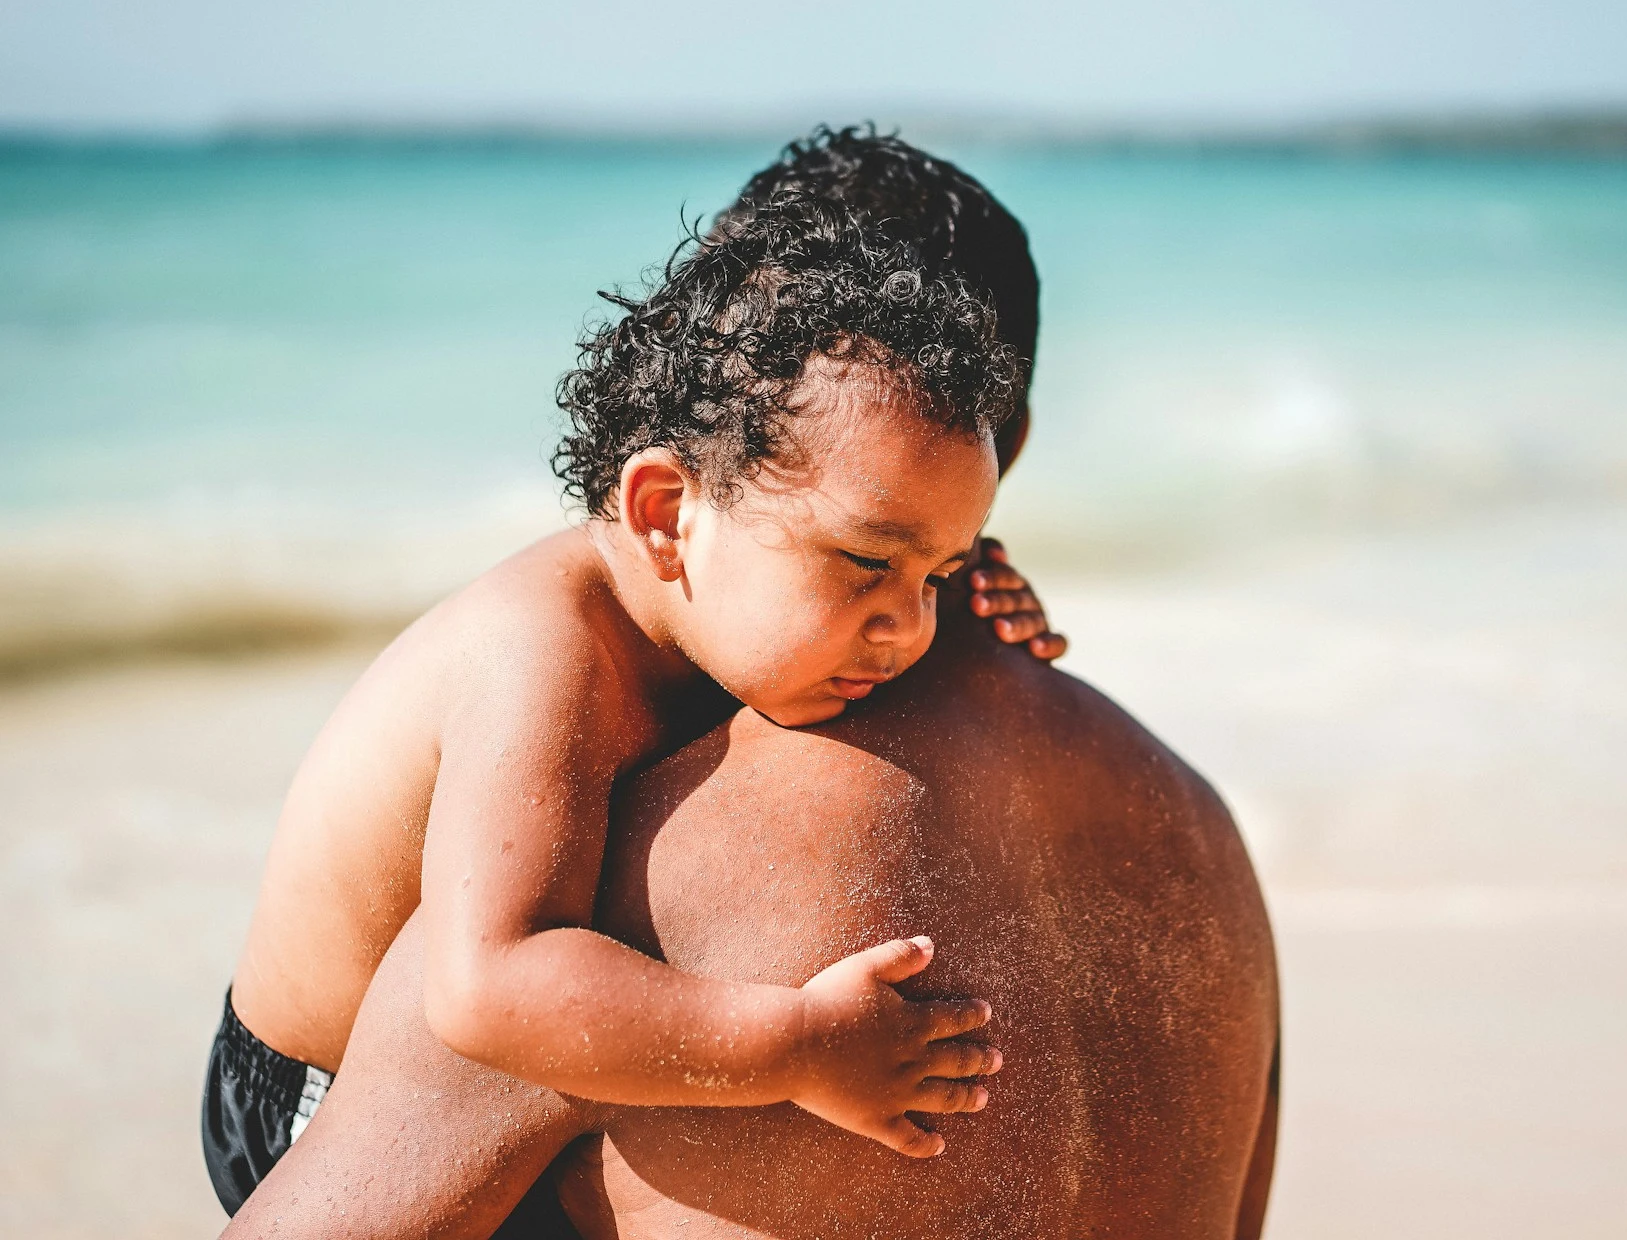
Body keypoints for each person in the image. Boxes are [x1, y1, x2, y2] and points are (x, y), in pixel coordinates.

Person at [222, 134, 1281, 1240]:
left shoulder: (776, 625)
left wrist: (936, 569)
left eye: (942, 571)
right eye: (867, 560)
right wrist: (798, 1044)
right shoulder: (543, 650)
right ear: (668, 508)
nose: (912, 624)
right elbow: (488, 984)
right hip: (306, 1087)